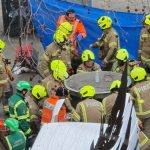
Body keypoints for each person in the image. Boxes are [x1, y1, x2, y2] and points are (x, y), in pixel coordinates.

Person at [57, 9, 87, 73]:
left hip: (71, 46)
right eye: (71, 17)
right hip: (60, 43)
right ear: (67, 16)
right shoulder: (61, 18)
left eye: (74, 17)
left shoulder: (77, 23)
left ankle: (70, 72)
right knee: (60, 59)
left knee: (69, 62)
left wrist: (80, 36)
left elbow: (83, 33)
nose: (73, 18)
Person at [130, 67, 150, 138]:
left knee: (143, 136)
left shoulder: (133, 89)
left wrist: (137, 119)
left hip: (140, 117)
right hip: (148, 114)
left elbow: (130, 105)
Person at [0, 39, 13, 115]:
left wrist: (10, 76)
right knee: (6, 95)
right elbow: (7, 68)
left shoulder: (2, 56)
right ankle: (7, 109)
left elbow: (7, 67)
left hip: (4, 83)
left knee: (6, 96)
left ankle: (6, 109)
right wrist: (11, 76)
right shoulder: (2, 56)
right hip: (4, 83)